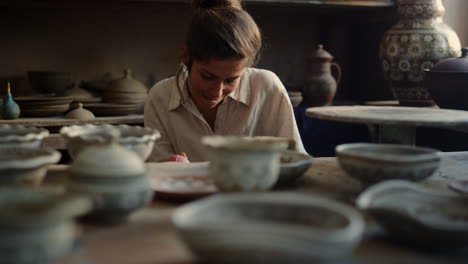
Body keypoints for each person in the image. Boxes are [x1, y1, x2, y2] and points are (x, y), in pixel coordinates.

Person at [144, 0, 306, 162]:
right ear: (186, 55)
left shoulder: (266, 88)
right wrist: (173, 168)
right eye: (207, 76)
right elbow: (157, 171)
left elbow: (295, 160)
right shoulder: (160, 98)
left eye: (231, 80)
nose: (217, 91)